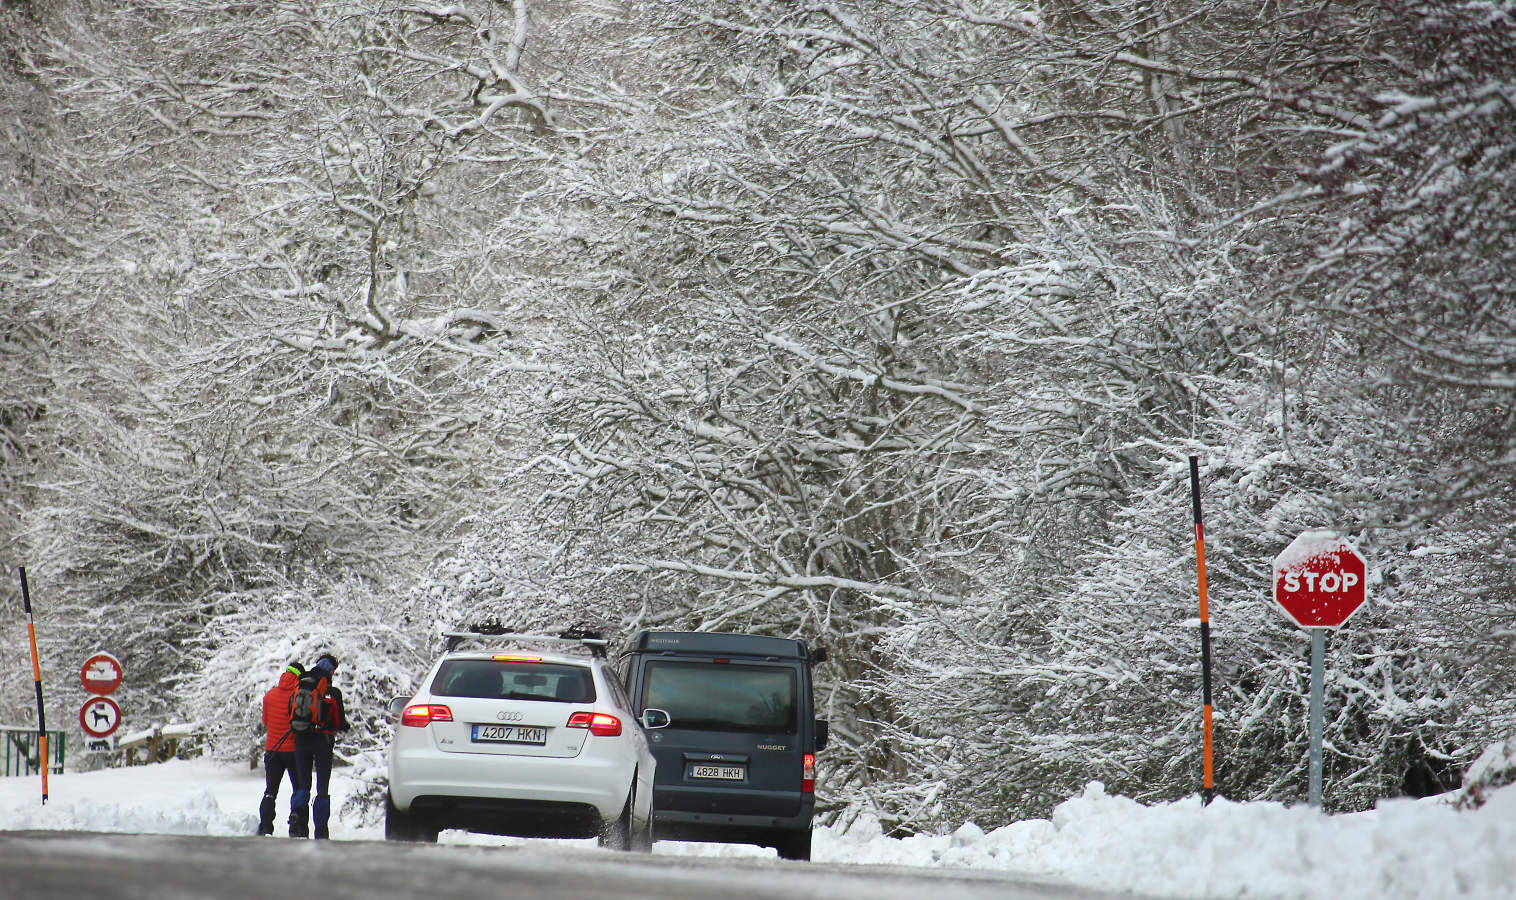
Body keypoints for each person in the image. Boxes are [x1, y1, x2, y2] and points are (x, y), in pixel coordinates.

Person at [291, 652, 349, 839]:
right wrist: (342, 726)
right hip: (323, 742)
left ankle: (298, 819)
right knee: (322, 786)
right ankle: (321, 829)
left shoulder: (300, 686)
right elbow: (339, 721)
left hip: (301, 740)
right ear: (331, 671)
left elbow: (290, 713)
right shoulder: (332, 692)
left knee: (303, 784)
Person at [257, 662, 308, 836]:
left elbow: (266, 721)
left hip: (273, 749)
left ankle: (265, 826)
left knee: (270, 791)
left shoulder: (270, 695)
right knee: (299, 788)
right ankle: (297, 825)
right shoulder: (299, 696)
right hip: (294, 751)